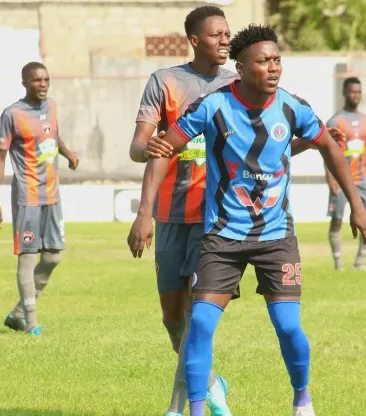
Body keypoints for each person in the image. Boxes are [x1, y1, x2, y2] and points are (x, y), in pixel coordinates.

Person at [127, 24, 366, 416]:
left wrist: (356, 204)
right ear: (241, 68)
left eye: (277, 60)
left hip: (276, 237)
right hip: (222, 236)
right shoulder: (212, 106)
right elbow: (163, 149)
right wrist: (146, 201)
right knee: (201, 323)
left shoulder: (292, 106)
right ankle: (194, 409)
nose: (273, 68)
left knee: (289, 326)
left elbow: (327, 143)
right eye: (264, 61)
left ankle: (302, 399)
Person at [128, 6, 237, 416]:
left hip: (217, 219)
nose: (226, 40)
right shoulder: (166, 82)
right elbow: (139, 146)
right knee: (173, 320)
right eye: (217, 34)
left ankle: (177, 409)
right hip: (170, 216)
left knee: (196, 317)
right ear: (194, 40)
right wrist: (144, 212)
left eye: (228, 33)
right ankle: (211, 382)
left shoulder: (238, 85)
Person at [0, 61, 79, 336]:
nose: (42, 84)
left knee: (52, 258)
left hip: (53, 194)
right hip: (27, 195)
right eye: (36, 80)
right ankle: (31, 321)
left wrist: (68, 153)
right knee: (28, 257)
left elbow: (53, 134)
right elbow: (0, 156)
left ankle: (17, 313)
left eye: (46, 79)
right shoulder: (12, 114)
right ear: (25, 83)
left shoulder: (51, 106)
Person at [323, 77, 366, 271]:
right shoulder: (335, 121)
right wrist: (331, 179)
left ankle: (360, 261)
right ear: (344, 93)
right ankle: (338, 262)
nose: (356, 95)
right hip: (342, 179)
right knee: (337, 220)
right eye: (352, 92)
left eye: (359, 92)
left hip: (363, 179)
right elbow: (328, 152)